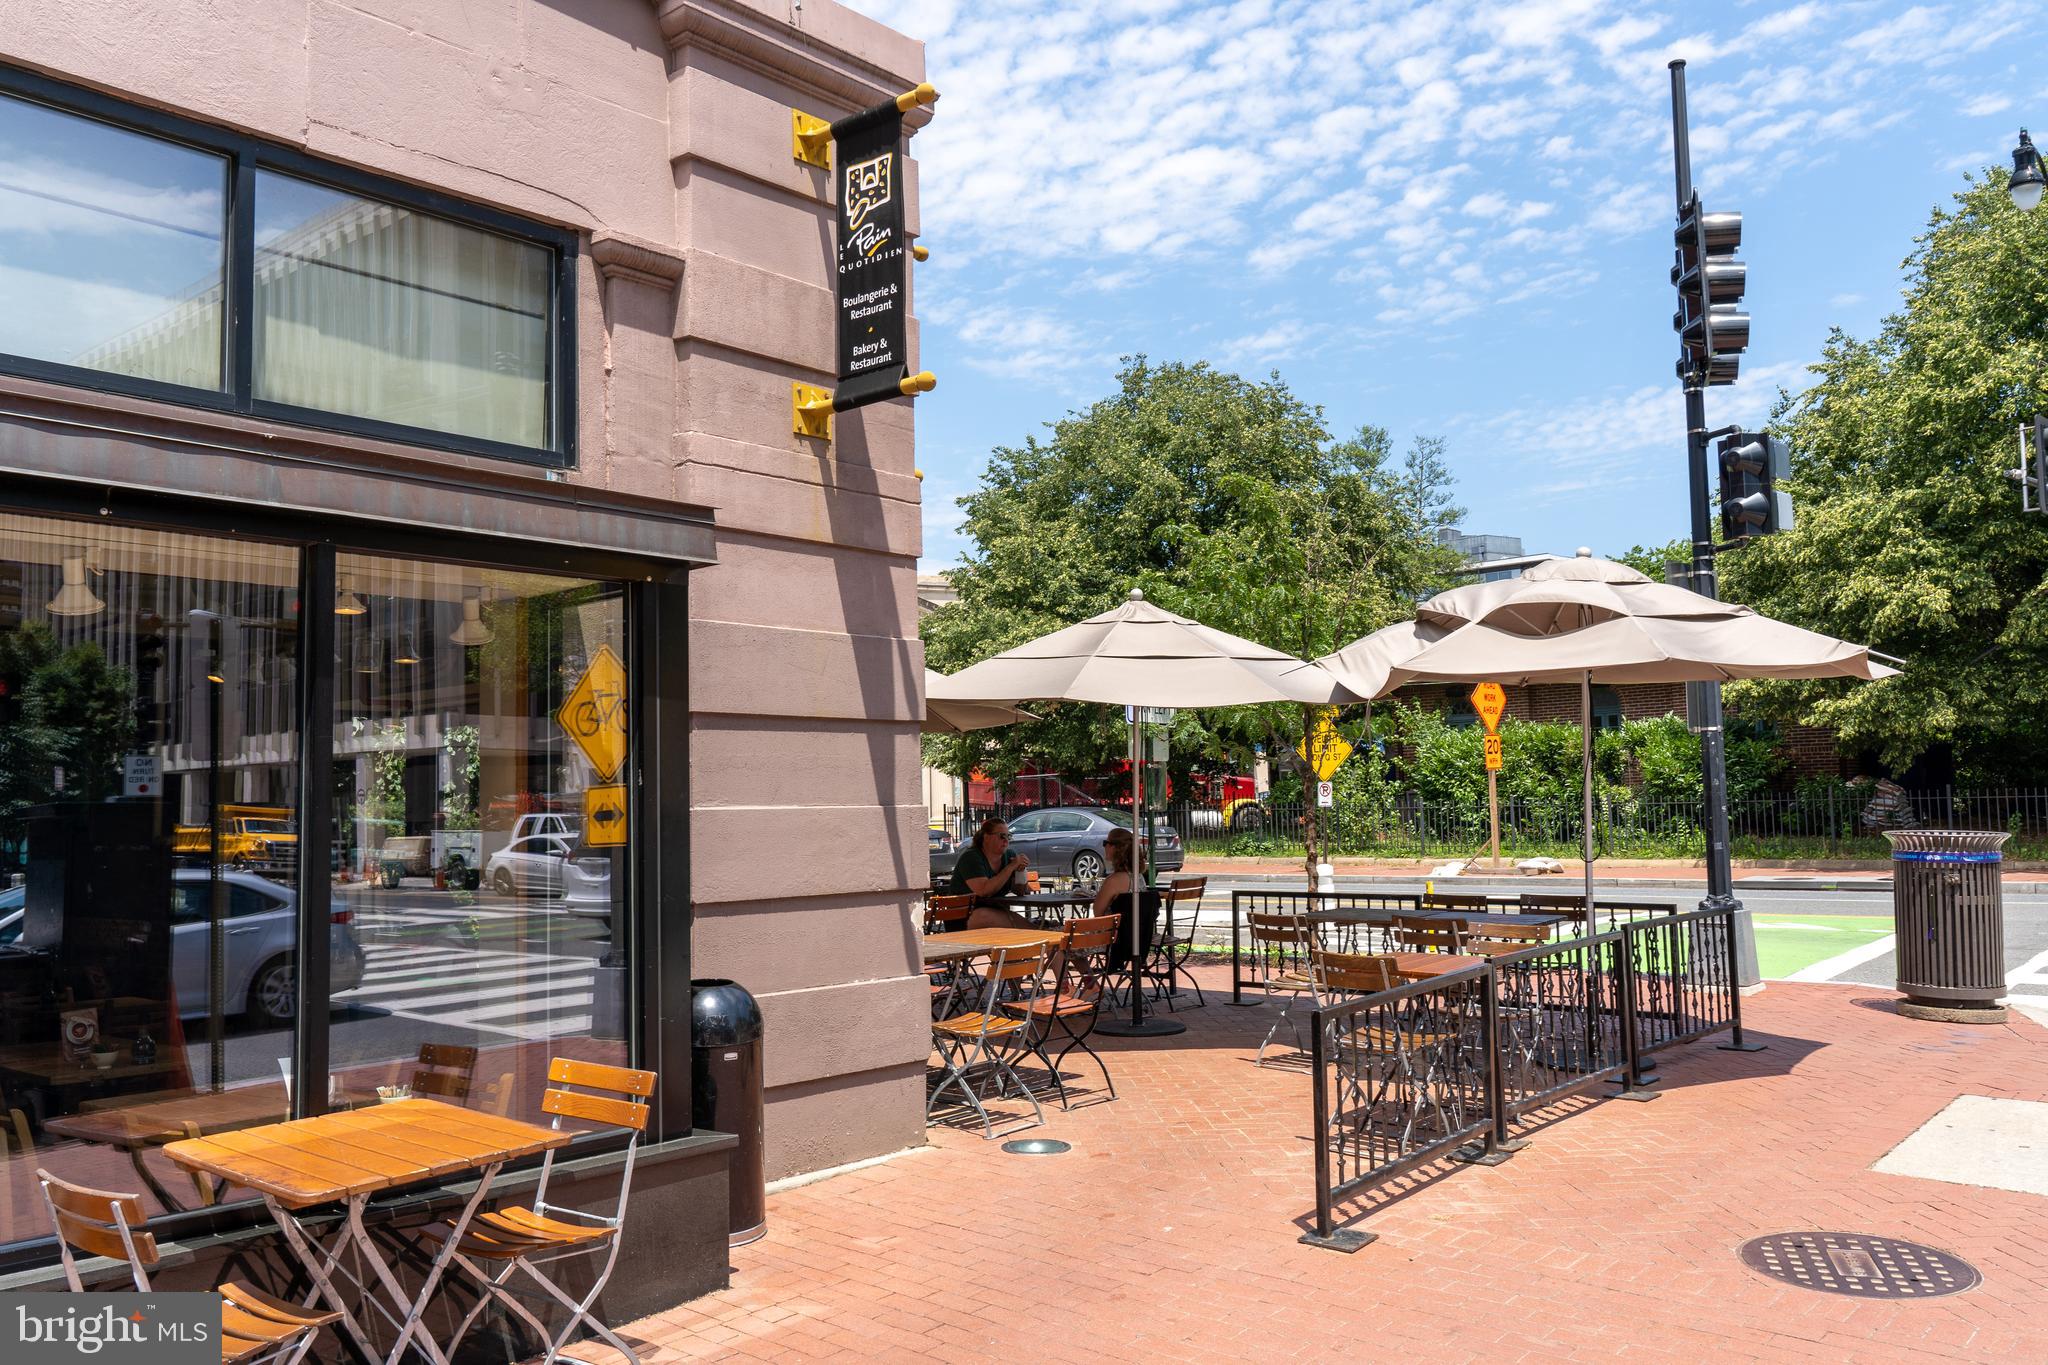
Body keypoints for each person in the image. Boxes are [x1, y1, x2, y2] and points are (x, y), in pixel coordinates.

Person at [1095, 827, 1161, 975]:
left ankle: (1086, 982)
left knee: (1061, 942)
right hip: (1138, 940)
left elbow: (1098, 914)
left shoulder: (1113, 881)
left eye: (1106, 843)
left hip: (1113, 941)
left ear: (1114, 847)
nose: (1104, 846)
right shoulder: (1139, 878)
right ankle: (1089, 982)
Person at [947, 817, 1032, 931]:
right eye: (1002, 836)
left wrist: (1020, 871)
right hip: (964, 917)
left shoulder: (1009, 855)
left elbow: (1020, 891)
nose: (1006, 840)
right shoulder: (971, 857)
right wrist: (1011, 867)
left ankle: (1041, 933)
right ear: (986, 837)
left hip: (996, 912)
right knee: (984, 915)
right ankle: (1042, 933)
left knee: (993, 917)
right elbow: (984, 891)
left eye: (1008, 836)